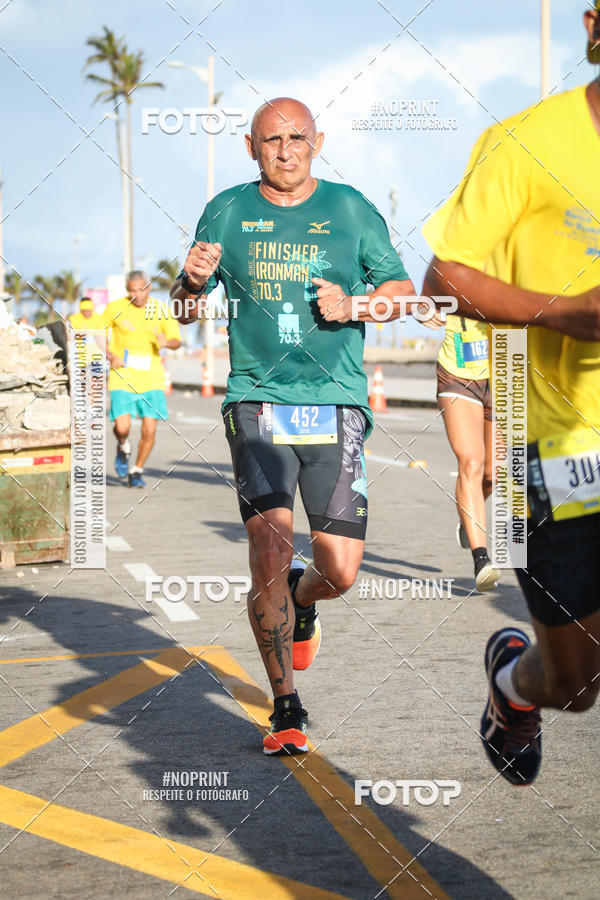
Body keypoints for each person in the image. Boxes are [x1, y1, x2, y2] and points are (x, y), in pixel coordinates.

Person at [171, 97, 415, 755]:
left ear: (318, 141)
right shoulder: (226, 210)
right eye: (271, 140)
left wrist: (356, 302)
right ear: (252, 147)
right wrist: (189, 284)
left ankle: (307, 600)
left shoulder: (349, 208)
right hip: (256, 399)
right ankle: (286, 707)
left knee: (338, 570)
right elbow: (184, 312)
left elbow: (403, 290)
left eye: (297, 138)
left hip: (336, 402)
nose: (285, 150)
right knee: (269, 547)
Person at [422, 3, 600, 785]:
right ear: (593, 27)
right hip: (560, 446)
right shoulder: (529, 143)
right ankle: (512, 683)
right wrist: (568, 315)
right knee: (577, 685)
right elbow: (444, 277)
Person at [428, 311, 500, 592]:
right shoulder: (452, 268)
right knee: (470, 462)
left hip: (504, 370)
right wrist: (424, 309)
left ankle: (467, 517)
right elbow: (424, 296)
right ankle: (481, 559)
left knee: (492, 474)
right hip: (456, 372)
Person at [103, 271, 181, 488]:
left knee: (150, 430)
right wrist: (110, 355)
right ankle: (122, 445)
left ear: (148, 288)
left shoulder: (161, 310)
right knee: (122, 428)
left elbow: (176, 340)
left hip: (151, 380)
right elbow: (98, 333)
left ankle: (136, 469)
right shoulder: (115, 308)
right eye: (131, 290)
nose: (136, 295)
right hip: (122, 377)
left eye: (140, 290)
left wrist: (167, 342)